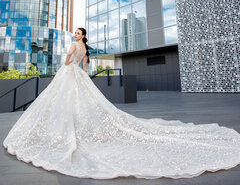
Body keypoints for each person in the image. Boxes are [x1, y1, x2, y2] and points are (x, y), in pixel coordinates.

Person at [3, 27, 240, 179]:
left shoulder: (74, 46)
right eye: (74, 33)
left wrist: (66, 64)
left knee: (61, 101)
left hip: (67, 73)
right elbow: (84, 66)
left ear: (81, 36)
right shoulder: (85, 48)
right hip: (79, 76)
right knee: (76, 103)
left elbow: (67, 61)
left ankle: (65, 131)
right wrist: (81, 73)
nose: (75, 35)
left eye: (77, 33)